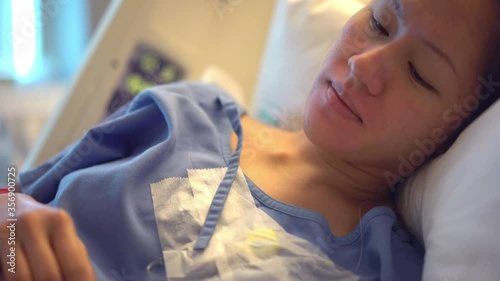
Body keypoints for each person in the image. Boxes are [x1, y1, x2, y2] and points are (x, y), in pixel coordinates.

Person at [1, 0, 499, 280]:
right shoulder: (186, 112)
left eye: (419, 73)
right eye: (378, 24)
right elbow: (11, 188)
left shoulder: (387, 268)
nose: (364, 67)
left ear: (452, 132)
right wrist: (11, 216)